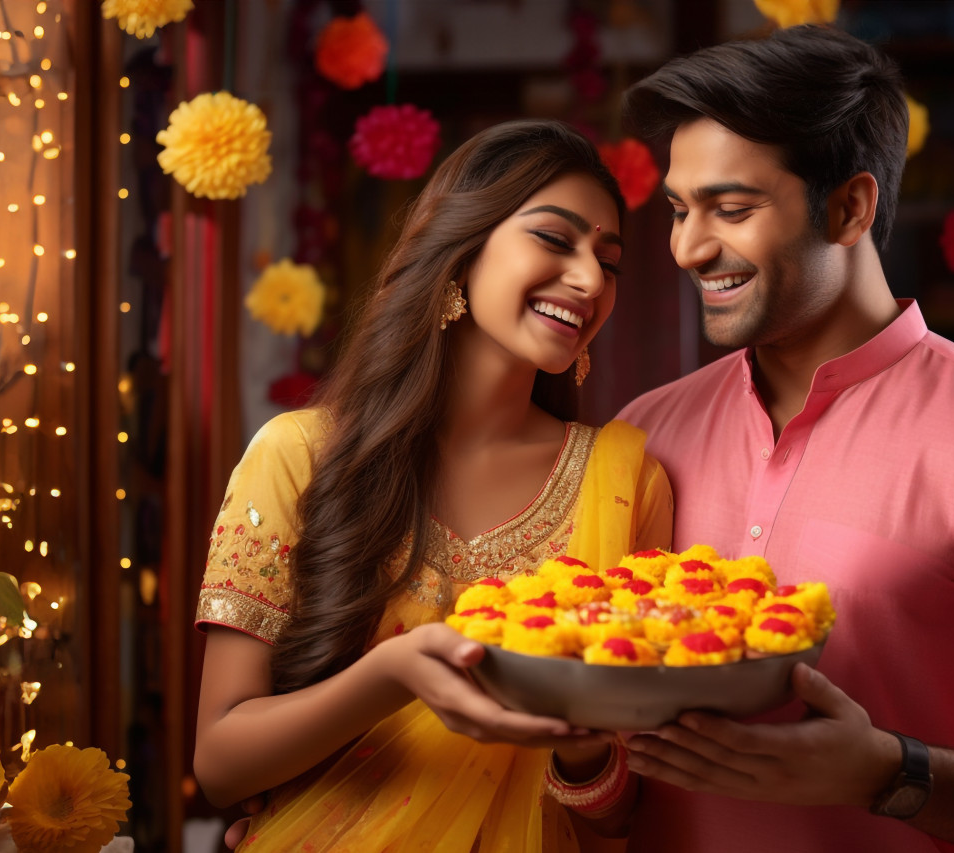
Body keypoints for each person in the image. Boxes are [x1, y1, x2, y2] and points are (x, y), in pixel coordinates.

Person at [614, 25, 954, 853]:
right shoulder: (638, 438)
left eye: (733, 208)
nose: (688, 247)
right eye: (680, 210)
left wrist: (886, 773)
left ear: (851, 206)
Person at [193, 119, 671, 852]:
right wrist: (390, 675)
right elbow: (221, 762)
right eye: (554, 238)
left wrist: (580, 742)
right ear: (461, 250)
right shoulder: (299, 457)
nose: (588, 279)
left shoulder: (624, 482)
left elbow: (616, 819)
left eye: (609, 261)